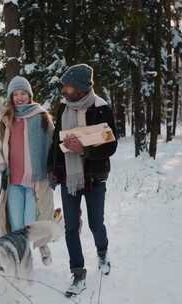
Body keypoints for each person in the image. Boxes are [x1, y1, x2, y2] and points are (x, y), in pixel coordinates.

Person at [48, 64, 118, 296]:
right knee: (70, 227)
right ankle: (78, 274)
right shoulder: (63, 109)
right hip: (70, 177)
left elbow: (111, 145)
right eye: (64, 86)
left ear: (80, 87)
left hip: (95, 177)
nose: (64, 91)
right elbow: (56, 144)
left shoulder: (101, 107)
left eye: (68, 87)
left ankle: (102, 251)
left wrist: (84, 150)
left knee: (95, 223)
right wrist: (52, 169)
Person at [0, 75, 56, 265]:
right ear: (11, 97)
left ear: (29, 95)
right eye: (15, 94)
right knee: (16, 226)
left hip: (36, 182)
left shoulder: (42, 116)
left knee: (31, 225)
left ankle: (42, 246)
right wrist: (1, 166)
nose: (19, 97)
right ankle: (22, 262)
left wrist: (55, 169)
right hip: (13, 182)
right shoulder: (5, 120)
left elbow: (53, 145)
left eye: (23, 93)